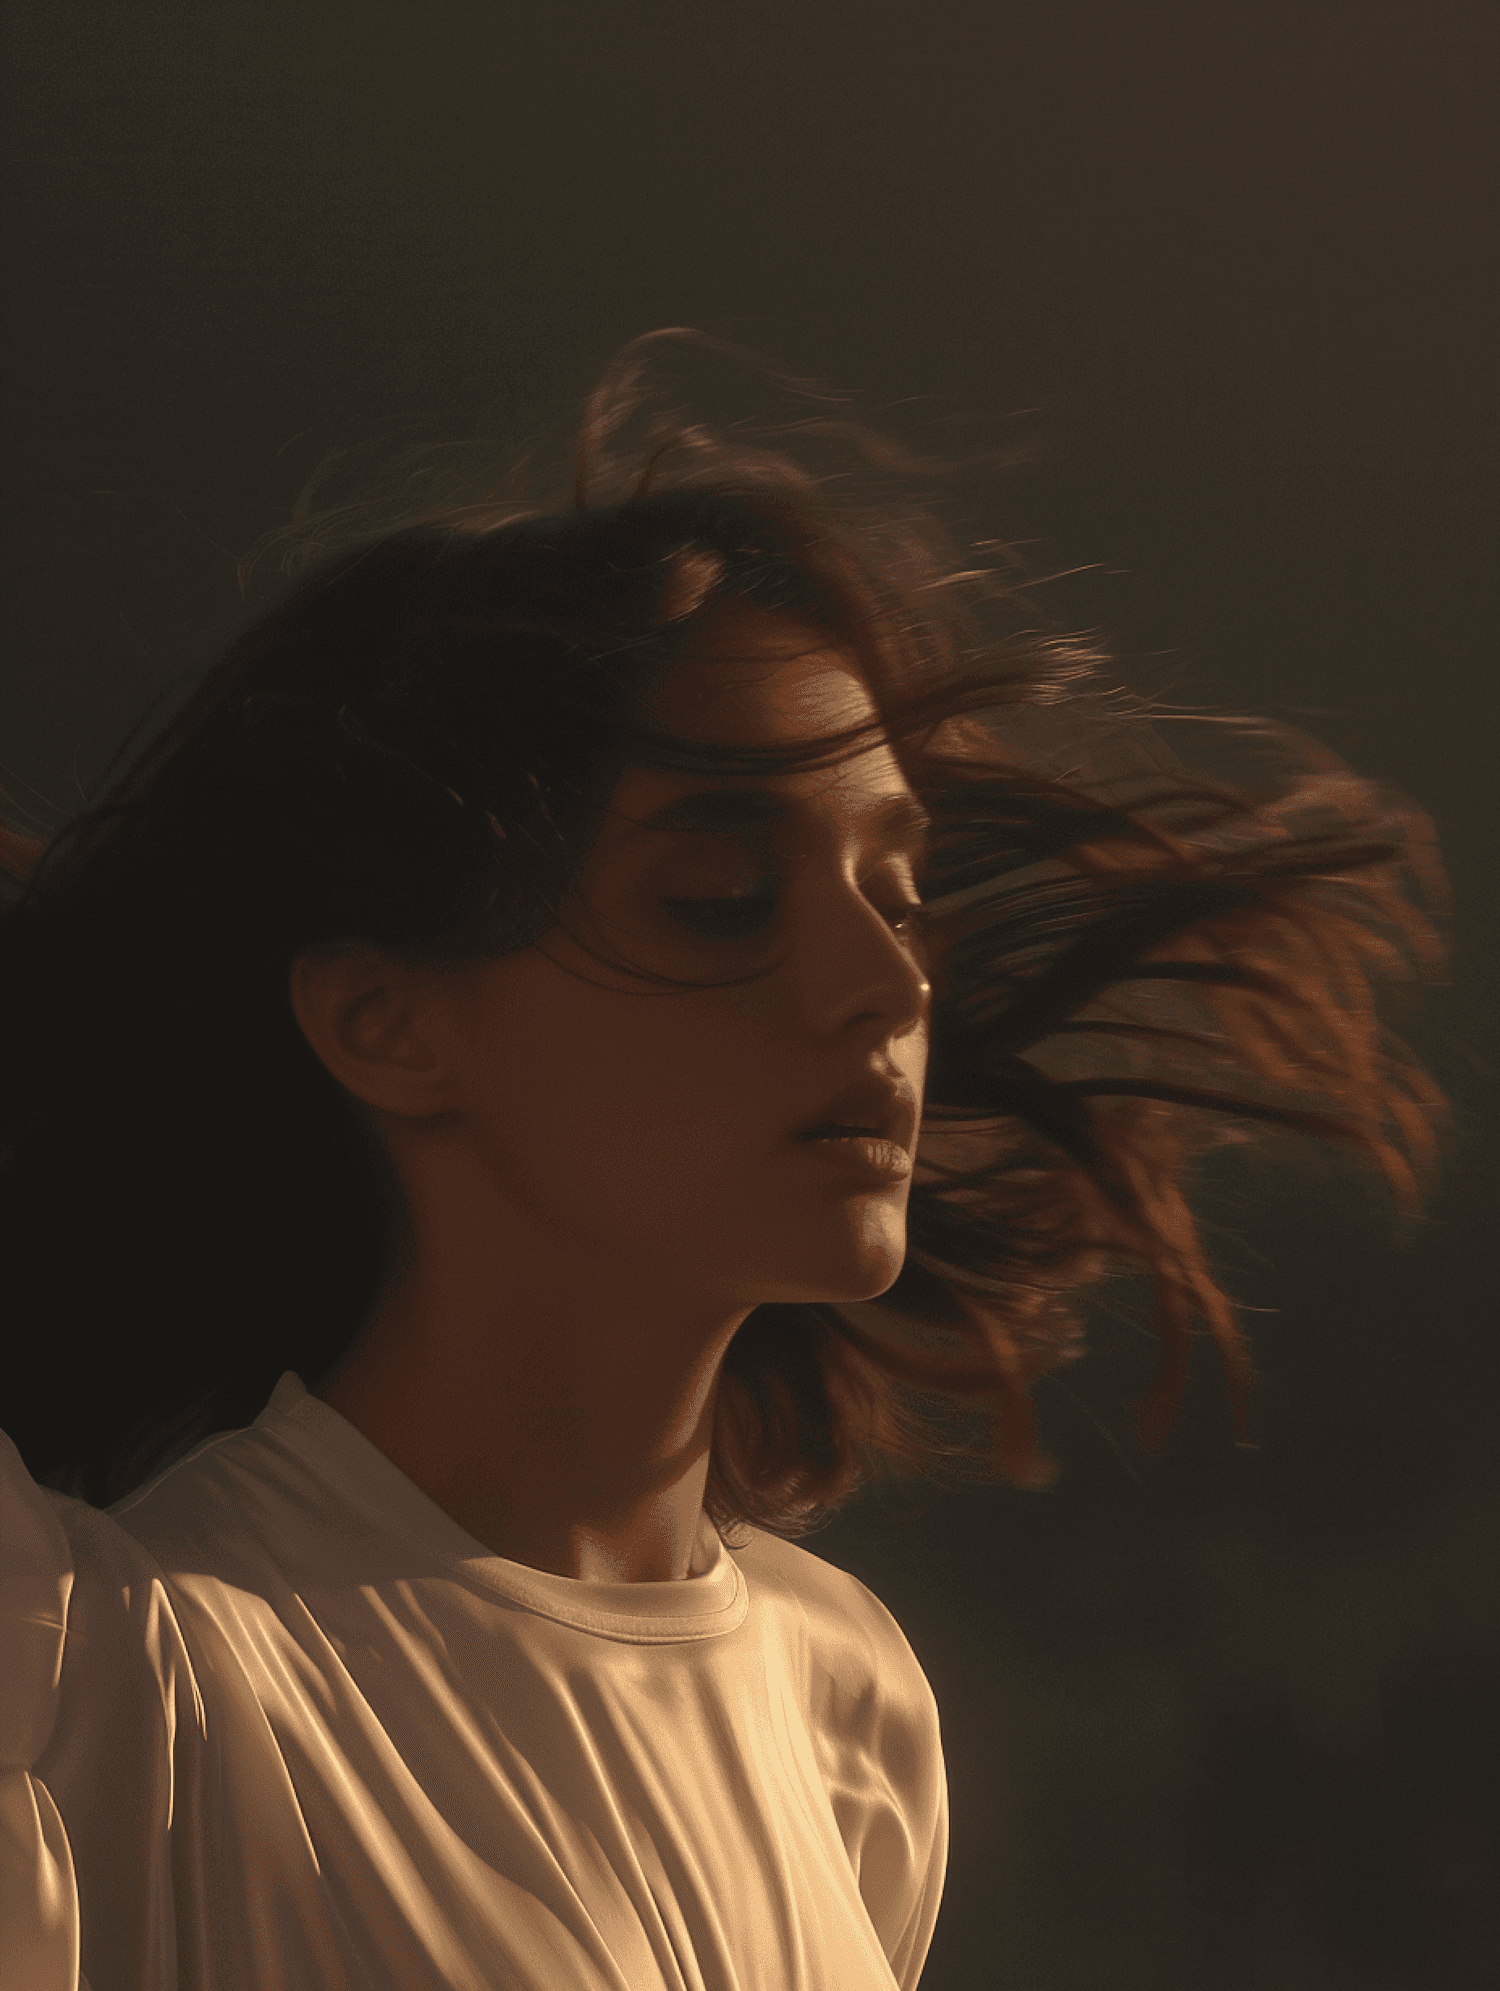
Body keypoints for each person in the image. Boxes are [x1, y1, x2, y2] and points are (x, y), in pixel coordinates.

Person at [0, 329, 1449, 1988]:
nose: (887, 982)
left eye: (897, 893)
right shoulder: (103, 1679)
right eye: (719, 900)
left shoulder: (852, 1717)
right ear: (388, 1022)